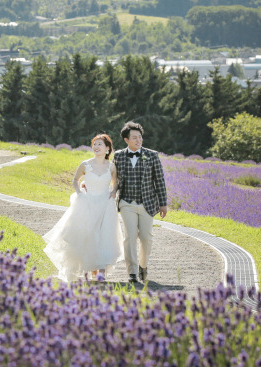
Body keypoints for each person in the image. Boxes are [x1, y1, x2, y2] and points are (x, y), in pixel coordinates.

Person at [43, 134, 123, 282]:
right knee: (88, 235)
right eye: (94, 144)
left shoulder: (111, 166)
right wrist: (79, 192)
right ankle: (89, 269)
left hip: (106, 204)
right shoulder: (85, 164)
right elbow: (75, 180)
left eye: (100, 144)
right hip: (87, 203)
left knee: (105, 236)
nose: (96, 147)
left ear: (107, 149)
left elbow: (115, 182)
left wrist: (113, 192)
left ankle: (101, 273)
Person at [113, 121, 168, 284]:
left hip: (147, 203)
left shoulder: (152, 155)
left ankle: (143, 266)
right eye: (134, 138)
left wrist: (163, 203)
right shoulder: (119, 156)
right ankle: (132, 272)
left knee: (146, 237)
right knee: (129, 236)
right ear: (126, 140)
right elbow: (114, 180)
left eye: (140, 137)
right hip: (126, 202)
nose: (139, 140)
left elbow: (160, 180)